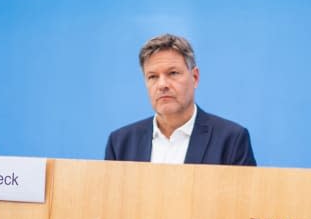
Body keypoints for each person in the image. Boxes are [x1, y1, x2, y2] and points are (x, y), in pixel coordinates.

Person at [104, 34, 256, 166]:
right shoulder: (121, 144)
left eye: (173, 73)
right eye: (153, 76)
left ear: (195, 77)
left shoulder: (231, 140)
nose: (162, 85)